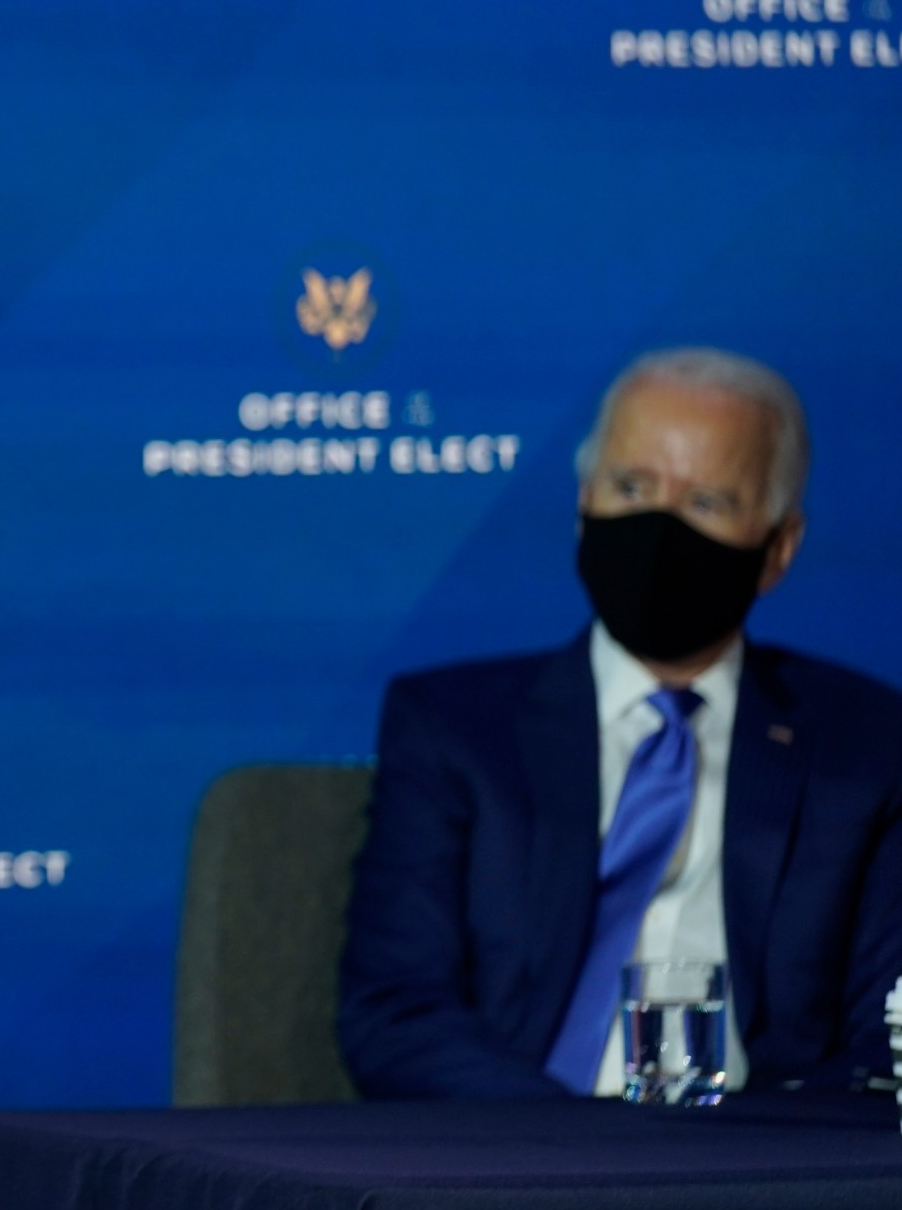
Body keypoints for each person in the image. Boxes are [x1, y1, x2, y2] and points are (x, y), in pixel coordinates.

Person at [339, 347, 902, 1100]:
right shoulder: (454, 730)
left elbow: (886, 1038)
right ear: (583, 506)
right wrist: (575, 1146)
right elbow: (394, 1012)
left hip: (757, 1178)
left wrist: (750, 1150)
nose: (660, 532)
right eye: (632, 488)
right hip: (514, 1170)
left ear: (778, 550)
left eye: (706, 503)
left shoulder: (865, 747)